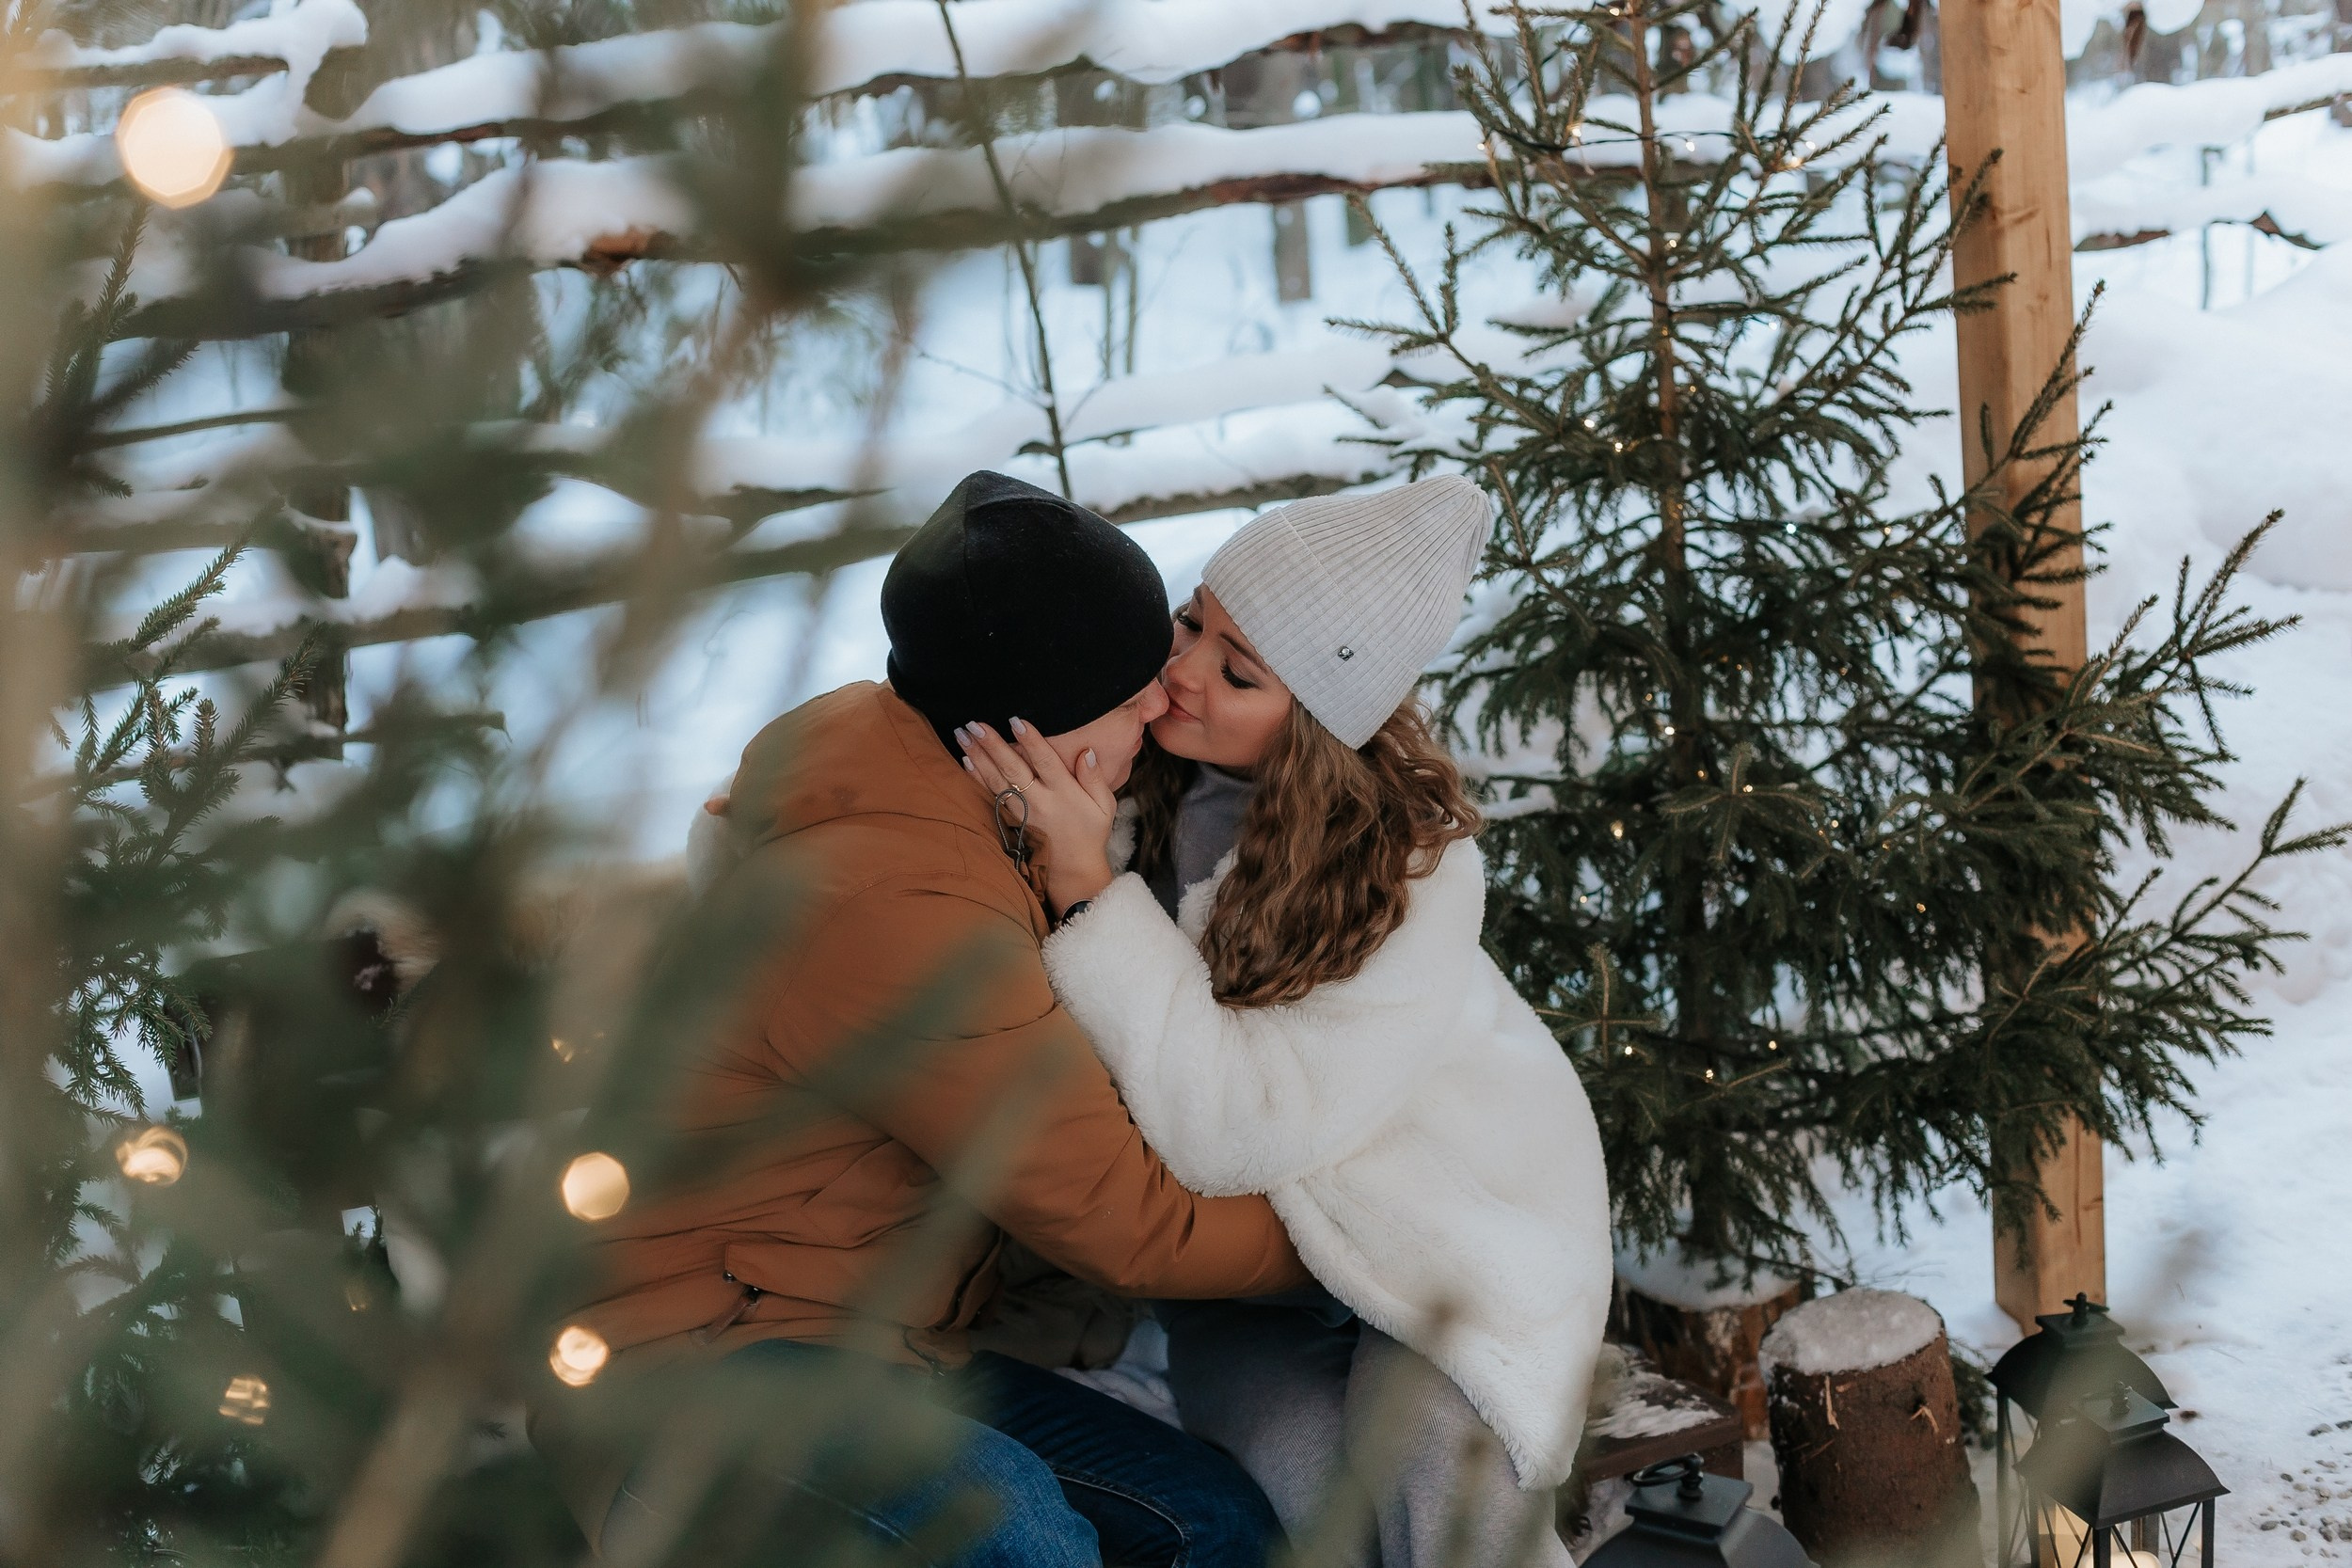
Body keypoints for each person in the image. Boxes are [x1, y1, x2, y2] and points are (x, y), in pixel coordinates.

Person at [551, 471, 1311, 1568]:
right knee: (1017, 1543)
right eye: (1129, 685)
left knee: (1211, 1524)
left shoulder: (937, 778)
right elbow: (1122, 1218)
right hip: (699, 1359)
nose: (1162, 703)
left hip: (881, 1339)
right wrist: (1358, 1246)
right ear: (1025, 723)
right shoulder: (894, 900)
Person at [957, 476, 1613, 1568]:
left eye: (1236, 670)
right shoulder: (1136, 771)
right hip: (1263, 1273)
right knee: (1305, 1502)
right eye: (1193, 618)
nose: (1180, 672)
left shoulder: (1408, 868)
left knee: (1442, 1498)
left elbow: (1235, 1126)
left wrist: (1090, 893)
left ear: (1316, 713)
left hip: (1445, 1226)